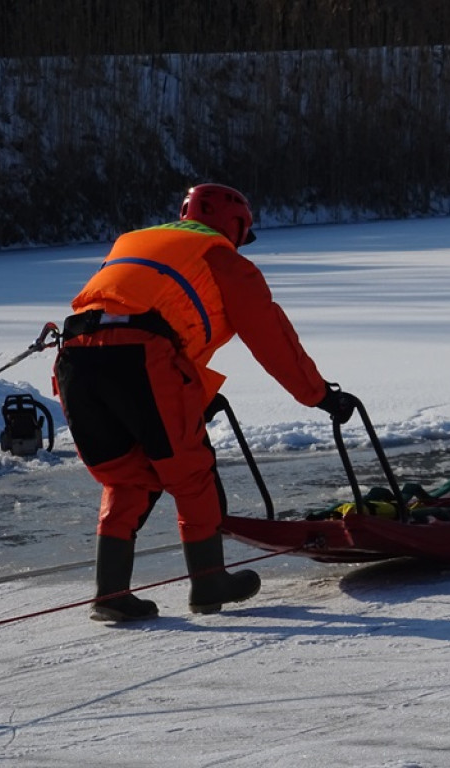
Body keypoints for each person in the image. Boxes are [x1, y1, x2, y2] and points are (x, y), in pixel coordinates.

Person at [54, 183, 356, 623]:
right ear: (235, 225)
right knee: (190, 472)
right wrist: (321, 396)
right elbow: (272, 340)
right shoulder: (222, 259)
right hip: (139, 356)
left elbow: (145, 319)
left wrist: (195, 395)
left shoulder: (134, 241)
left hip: (75, 357)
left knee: (128, 475)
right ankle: (209, 582)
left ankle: (111, 594)